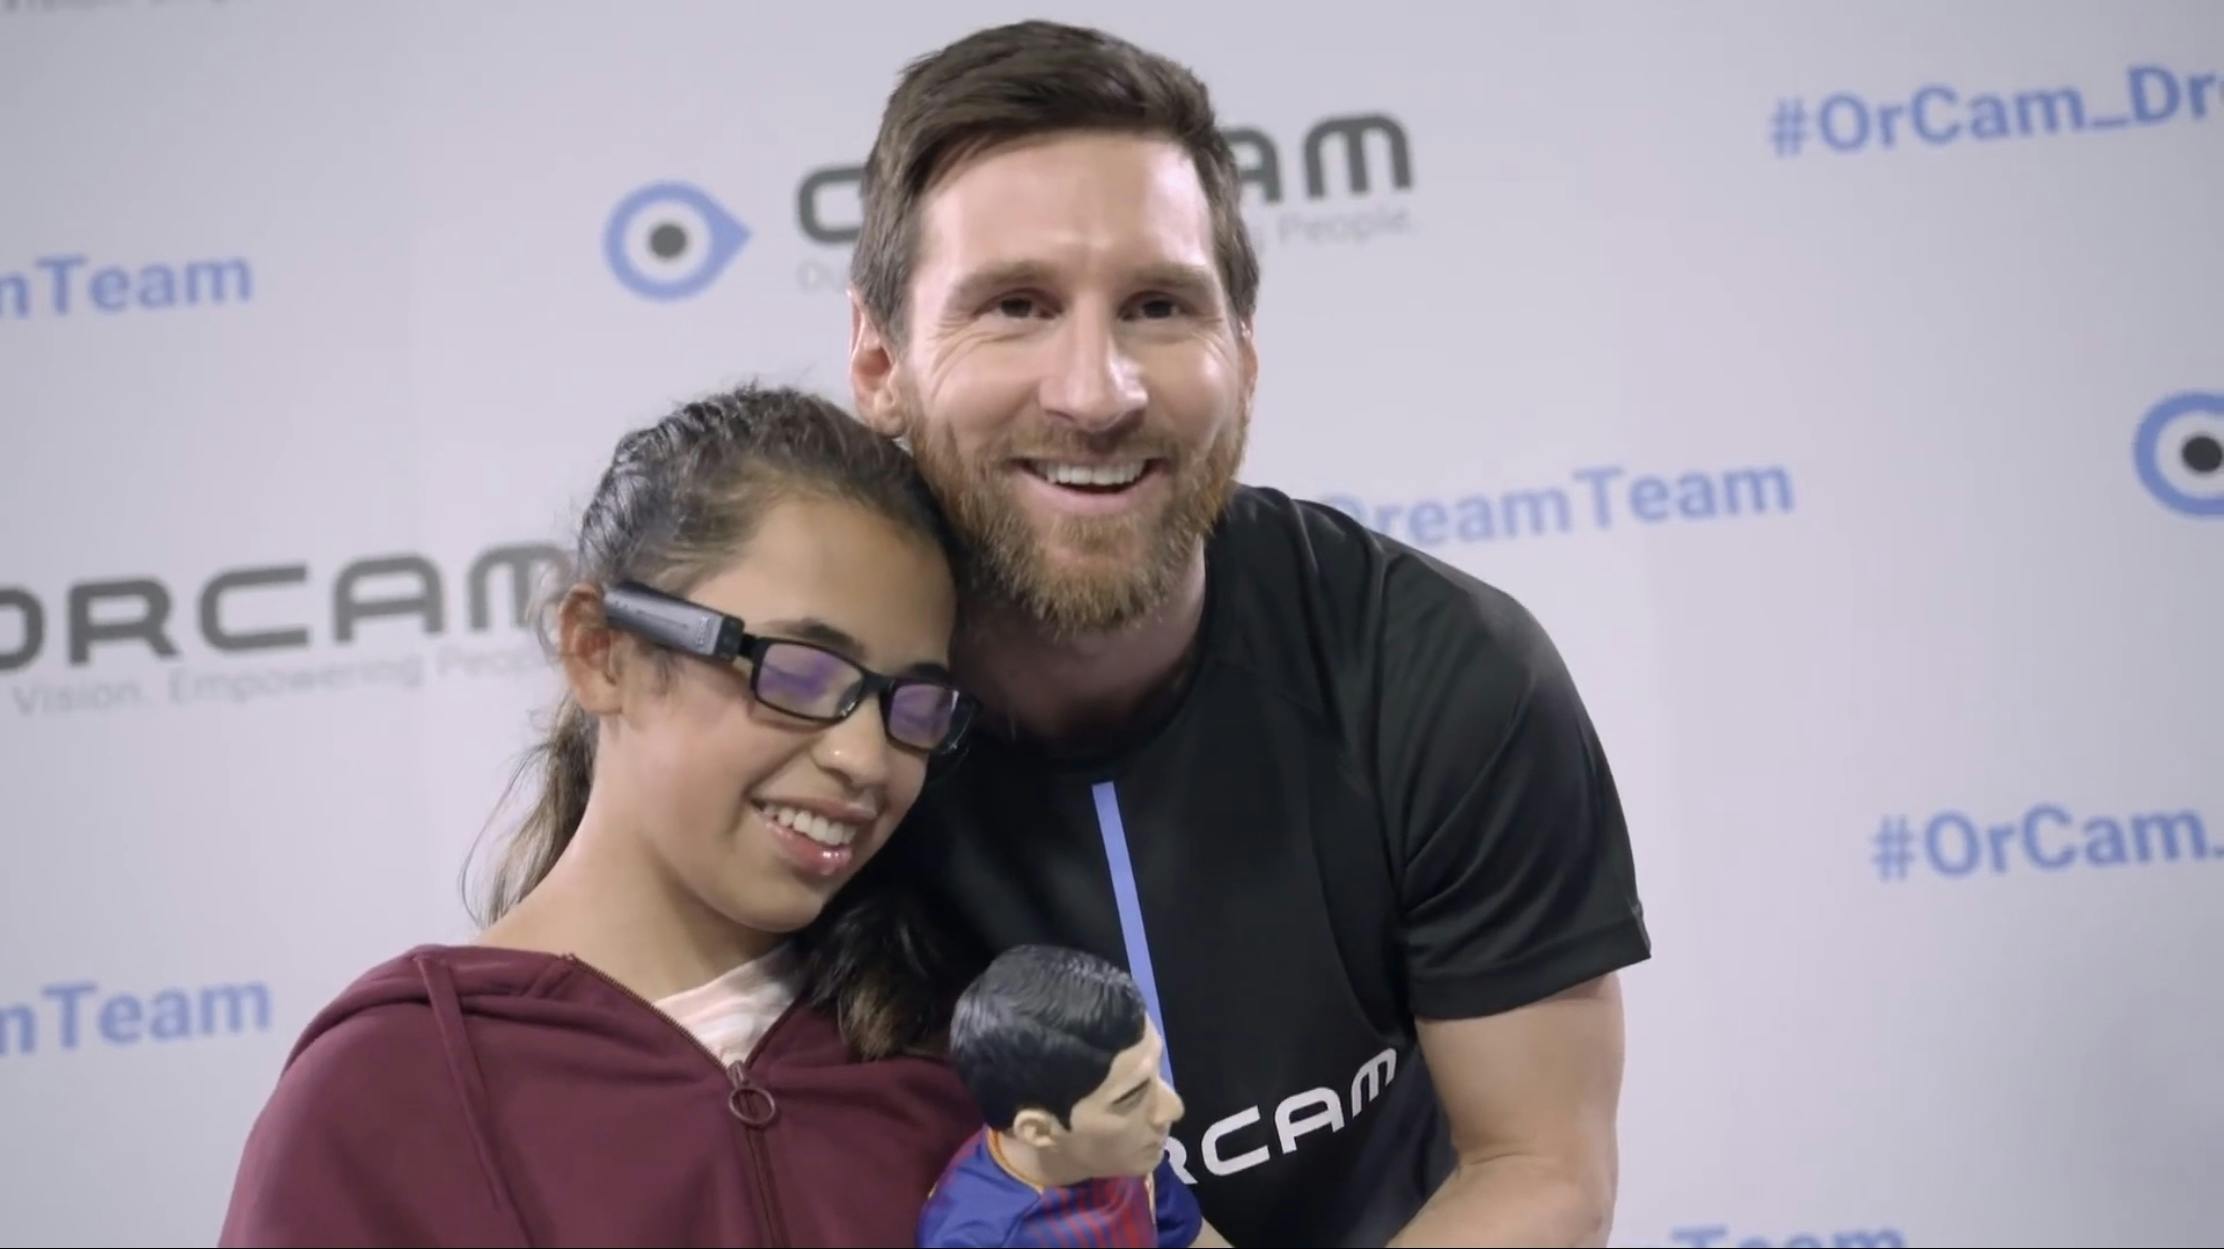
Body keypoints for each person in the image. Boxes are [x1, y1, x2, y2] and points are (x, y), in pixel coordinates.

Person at [844, 20, 1651, 1249]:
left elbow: (1537, 1165)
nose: (1095, 391)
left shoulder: (1441, 670)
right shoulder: (800, 713)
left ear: (1245, 358)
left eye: (1159, 306)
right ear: (878, 360)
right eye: (1014, 306)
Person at [219, 384, 987, 1246]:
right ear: (600, 650)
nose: (866, 757)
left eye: (916, 705)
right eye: (800, 672)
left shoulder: (962, 1074)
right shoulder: (386, 1092)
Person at [920, 945, 1229, 1248]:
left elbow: (1187, 1233)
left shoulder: (1119, 1148)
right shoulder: (974, 1238)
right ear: (1038, 1130)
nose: (1171, 1108)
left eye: (1154, 1075)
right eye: (1130, 1098)